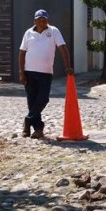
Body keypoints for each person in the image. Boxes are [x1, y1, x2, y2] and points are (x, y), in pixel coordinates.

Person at [18, 9, 73, 139]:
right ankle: (38, 130)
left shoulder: (53, 31)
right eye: (39, 20)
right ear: (35, 21)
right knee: (32, 101)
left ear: (48, 21)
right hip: (29, 71)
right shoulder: (28, 33)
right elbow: (22, 53)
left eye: (44, 20)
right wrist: (21, 72)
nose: (42, 22)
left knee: (43, 99)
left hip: (46, 72)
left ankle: (27, 120)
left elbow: (63, 48)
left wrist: (68, 66)